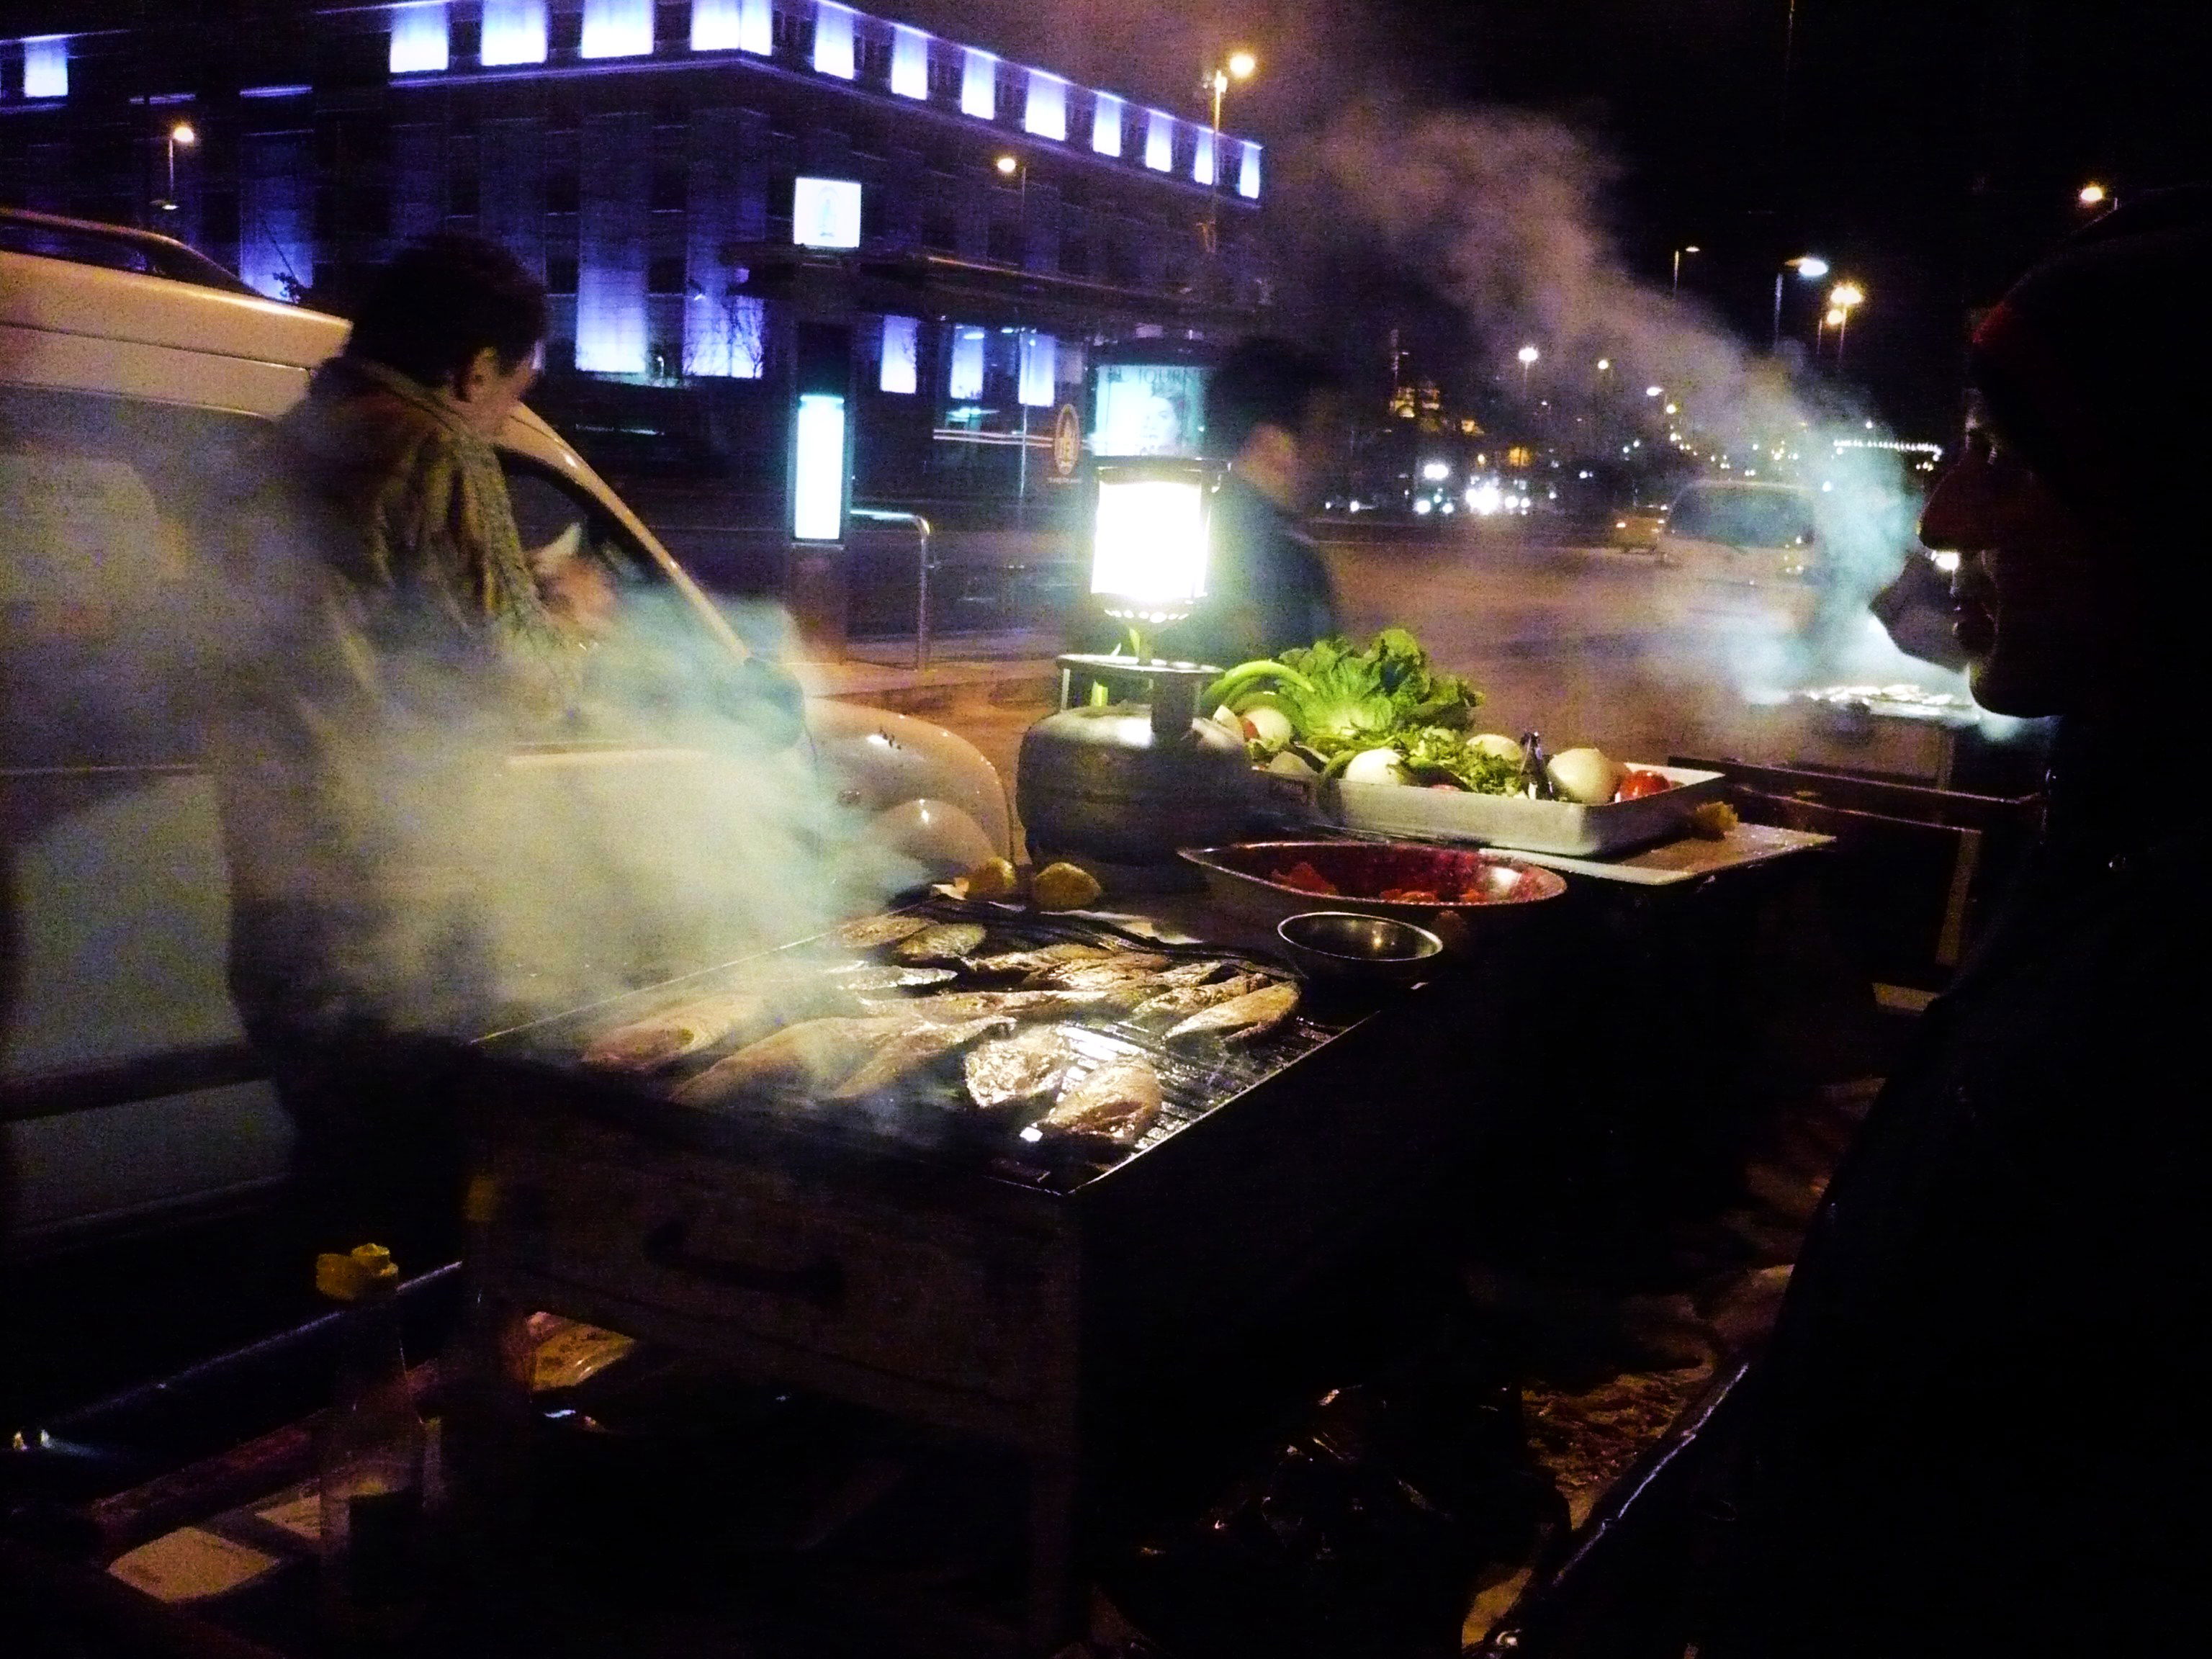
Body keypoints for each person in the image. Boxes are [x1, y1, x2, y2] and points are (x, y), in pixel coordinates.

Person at [1702, 189, 2212, 1656]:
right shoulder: (2128, 786)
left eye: (2002, 461)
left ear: (2172, 498)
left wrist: (1867, 1348)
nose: (1943, 515)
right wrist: (1859, 1293)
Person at [212, 234, 580, 1262]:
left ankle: (331, 1393)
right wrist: (573, 626)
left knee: (340, 1179)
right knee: (429, 1203)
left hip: (276, 907)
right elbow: (515, 679)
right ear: (473, 370)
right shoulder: (432, 445)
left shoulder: (270, 453)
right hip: (398, 912)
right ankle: (406, 1405)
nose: (506, 406)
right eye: (516, 383)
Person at [1171, 337, 1341, 667]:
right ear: (1273, 446)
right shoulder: (1282, 558)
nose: (1337, 457)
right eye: (1328, 433)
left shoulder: (1181, 530)